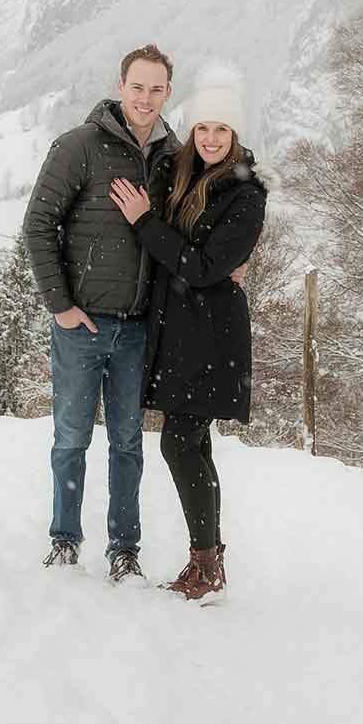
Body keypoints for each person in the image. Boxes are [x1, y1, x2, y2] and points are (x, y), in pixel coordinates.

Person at [21, 44, 180, 581]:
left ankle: (124, 548)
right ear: (120, 86)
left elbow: (187, 232)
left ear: (168, 93)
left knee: (129, 443)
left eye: (156, 88)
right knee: (70, 436)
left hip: (138, 330)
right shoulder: (79, 146)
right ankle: (64, 538)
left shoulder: (173, 159)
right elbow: (37, 225)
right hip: (81, 326)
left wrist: (232, 263)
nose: (145, 97)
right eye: (138, 86)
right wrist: (61, 307)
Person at [109, 68, 266, 602]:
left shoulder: (246, 194)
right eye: (203, 129)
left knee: (180, 443)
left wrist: (145, 223)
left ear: (235, 135)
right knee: (193, 444)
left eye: (222, 131)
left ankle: (207, 561)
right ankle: (209, 561)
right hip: (175, 330)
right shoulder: (179, 174)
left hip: (211, 336)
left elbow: (200, 267)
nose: (211, 140)